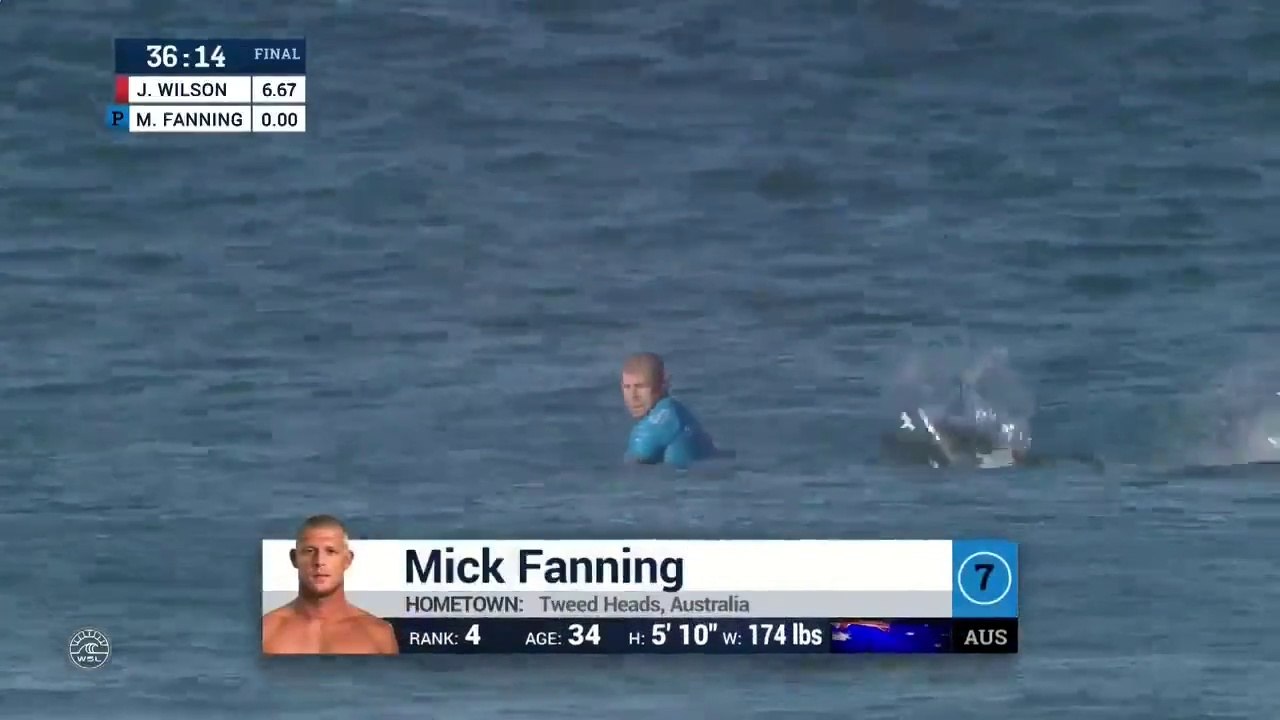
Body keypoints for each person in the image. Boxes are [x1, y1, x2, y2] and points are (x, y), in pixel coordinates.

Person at [262, 514, 399, 655]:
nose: (319, 561)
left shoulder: (379, 635)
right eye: (309, 551)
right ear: (294, 558)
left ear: (347, 560)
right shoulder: (266, 630)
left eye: (330, 551)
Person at [620, 352, 714, 468]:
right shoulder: (680, 413)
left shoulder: (650, 429)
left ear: (661, 385)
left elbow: (629, 473)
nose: (633, 396)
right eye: (627, 387)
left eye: (640, 387)